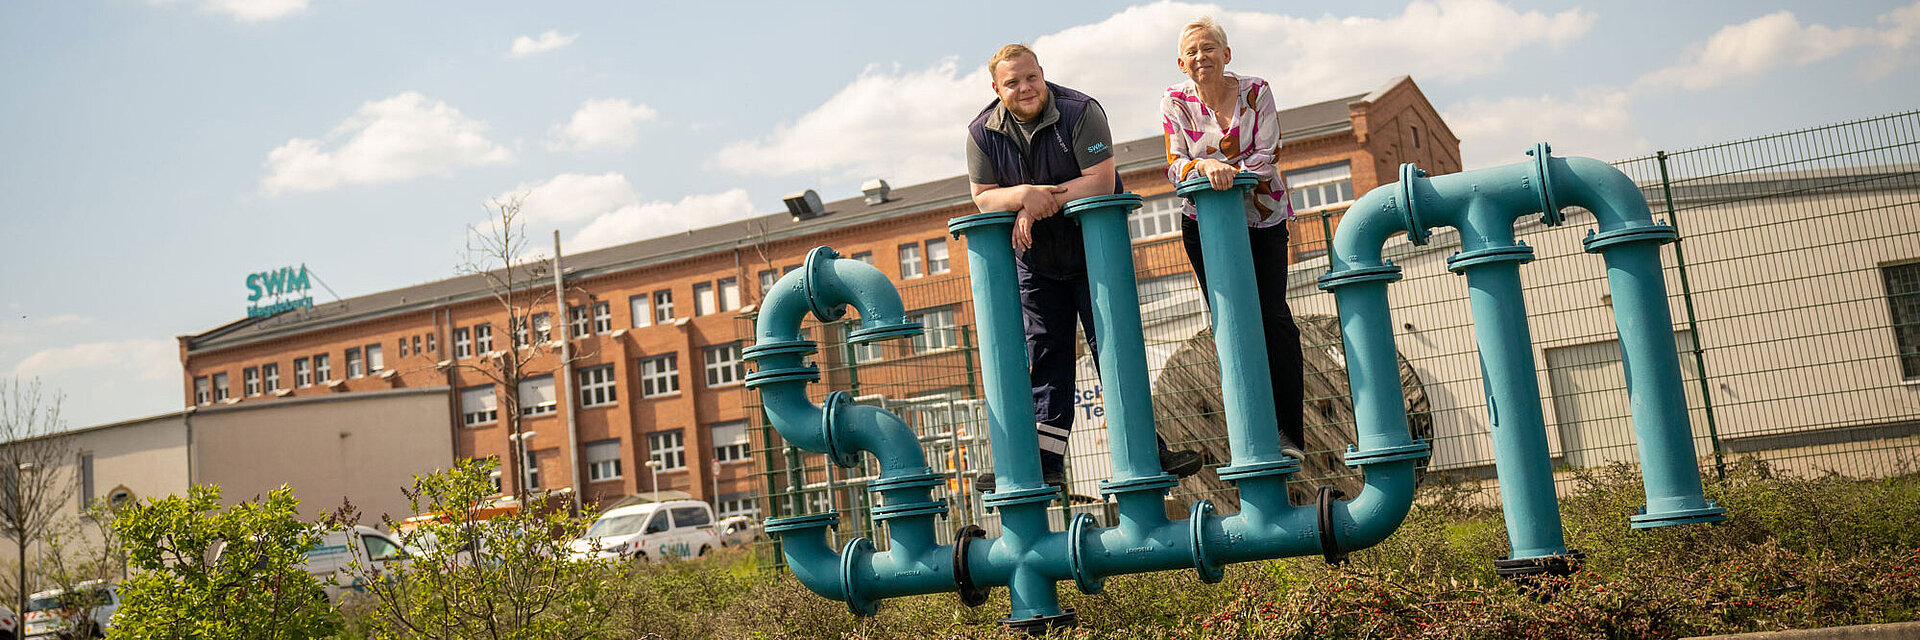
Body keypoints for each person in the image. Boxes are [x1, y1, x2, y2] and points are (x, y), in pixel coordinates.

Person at [966, 44, 1203, 492]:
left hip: (1095, 254)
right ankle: (1045, 465)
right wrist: (1024, 197)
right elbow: (982, 196)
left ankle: (1148, 452)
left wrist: (1034, 205)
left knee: (1114, 352)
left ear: (1043, 74)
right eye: (1012, 82)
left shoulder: (1080, 111)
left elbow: (1099, 179)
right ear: (996, 88)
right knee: (1046, 360)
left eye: (1030, 77)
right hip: (1035, 263)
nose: (1024, 88)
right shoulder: (983, 132)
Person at [1160, 18, 1307, 461]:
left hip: (1262, 216)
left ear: (1228, 55)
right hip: (1205, 223)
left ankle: (1288, 432)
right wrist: (1207, 168)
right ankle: (1247, 429)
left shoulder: (1256, 91)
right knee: (1229, 320)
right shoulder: (1175, 101)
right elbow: (1175, 164)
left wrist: (1230, 172)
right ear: (1182, 63)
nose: (1202, 57)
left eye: (1210, 48)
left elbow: (1269, 152)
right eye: (1193, 52)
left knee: (1271, 315)